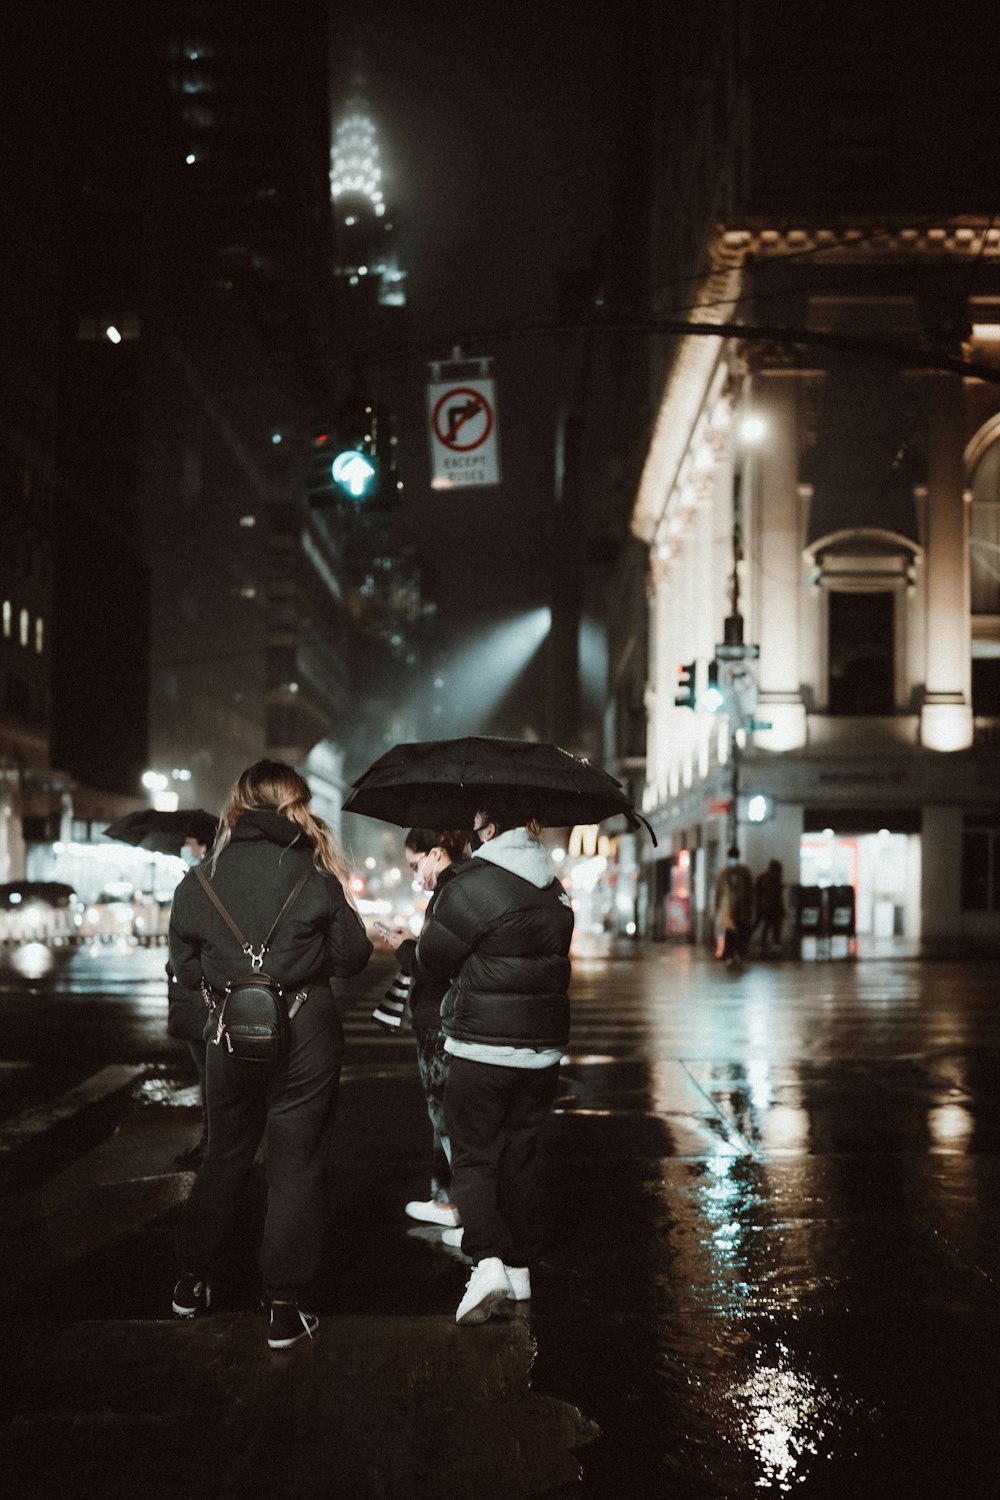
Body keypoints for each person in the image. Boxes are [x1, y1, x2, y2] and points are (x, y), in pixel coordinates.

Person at [167, 759, 372, 1350]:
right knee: (295, 1166)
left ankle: (191, 1283)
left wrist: (225, 986)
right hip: (306, 1030)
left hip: (228, 1033)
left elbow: (182, 967)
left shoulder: (201, 878)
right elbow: (353, 955)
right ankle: (284, 1307)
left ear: (240, 803)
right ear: (297, 805)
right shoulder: (315, 875)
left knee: (224, 1154)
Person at [413, 799, 574, 1325]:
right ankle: (521, 1268)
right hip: (542, 1050)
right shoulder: (553, 885)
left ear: (489, 826)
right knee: (521, 1158)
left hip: (481, 1047)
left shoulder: (472, 883)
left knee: (475, 1157)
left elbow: (433, 959)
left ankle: (487, 1261)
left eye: (477, 820)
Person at [389, 828, 469, 1230]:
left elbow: (433, 963)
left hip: (440, 1019)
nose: (415, 874)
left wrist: (404, 948)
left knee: (446, 1117)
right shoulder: (456, 890)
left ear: (437, 854)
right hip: (441, 1015)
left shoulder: (452, 893)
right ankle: (445, 1201)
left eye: (415, 864)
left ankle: (471, 1216)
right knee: (443, 1116)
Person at [168, 832, 213, 1170]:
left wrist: (175, 965)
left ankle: (212, 1146)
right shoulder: (213, 880)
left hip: (201, 996)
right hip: (216, 993)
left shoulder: (195, 885)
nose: (185, 848)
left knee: (209, 1077)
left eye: (190, 842)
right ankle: (213, 1144)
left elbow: (183, 959)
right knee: (213, 1076)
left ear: (205, 847)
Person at [714, 845, 754, 966]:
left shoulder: (744, 872)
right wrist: (717, 909)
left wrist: (750, 906)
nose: (732, 859)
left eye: (734, 857)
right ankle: (730, 955)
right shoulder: (724, 873)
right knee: (730, 933)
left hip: (741, 908)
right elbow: (719, 893)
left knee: (741, 933)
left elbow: (750, 891)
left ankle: (740, 955)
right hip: (728, 909)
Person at [754, 859, 785, 954]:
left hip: (766, 906)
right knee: (772, 926)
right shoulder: (773, 878)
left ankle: (765, 944)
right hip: (771, 907)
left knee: (767, 926)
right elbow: (776, 895)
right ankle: (772, 943)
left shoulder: (764, 877)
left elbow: (757, 891)